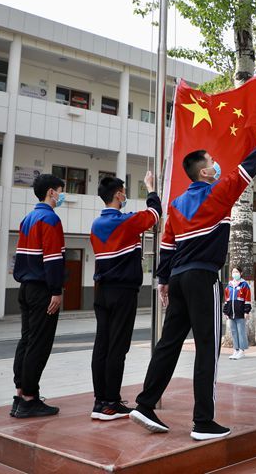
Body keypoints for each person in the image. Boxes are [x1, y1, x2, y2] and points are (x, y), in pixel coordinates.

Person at [130, 110, 256, 440]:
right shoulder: (218, 193)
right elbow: (249, 169)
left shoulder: (175, 205)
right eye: (212, 161)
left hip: (177, 279)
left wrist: (163, 281)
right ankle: (203, 421)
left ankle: (145, 404)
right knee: (208, 346)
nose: (217, 164)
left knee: (169, 343)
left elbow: (167, 246)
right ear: (205, 172)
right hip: (203, 278)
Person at [89, 171, 161, 420]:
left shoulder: (96, 224)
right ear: (118, 195)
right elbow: (154, 214)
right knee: (118, 347)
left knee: (102, 345)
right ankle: (111, 403)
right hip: (123, 291)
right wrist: (150, 188)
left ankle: (100, 401)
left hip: (101, 291)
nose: (126, 195)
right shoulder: (124, 221)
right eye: (125, 191)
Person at [11, 174, 66, 418]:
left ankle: (20, 393)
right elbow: (53, 259)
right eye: (61, 190)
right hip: (43, 289)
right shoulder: (50, 219)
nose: (62, 195)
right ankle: (31, 399)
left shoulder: (27, 219)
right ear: (52, 192)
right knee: (39, 344)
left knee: (26, 340)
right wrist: (56, 290)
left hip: (25, 287)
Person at [223, 267, 252, 360]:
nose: (235, 273)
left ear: (241, 273)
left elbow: (247, 299)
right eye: (233, 272)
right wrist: (226, 312)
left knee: (241, 332)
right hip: (231, 313)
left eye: (237, 272)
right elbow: (227, 300)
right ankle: (236, 349)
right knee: (234, 332)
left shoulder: (244, 285)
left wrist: (246, 311)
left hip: (240, 312)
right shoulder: (229, 286)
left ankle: (242, 350)